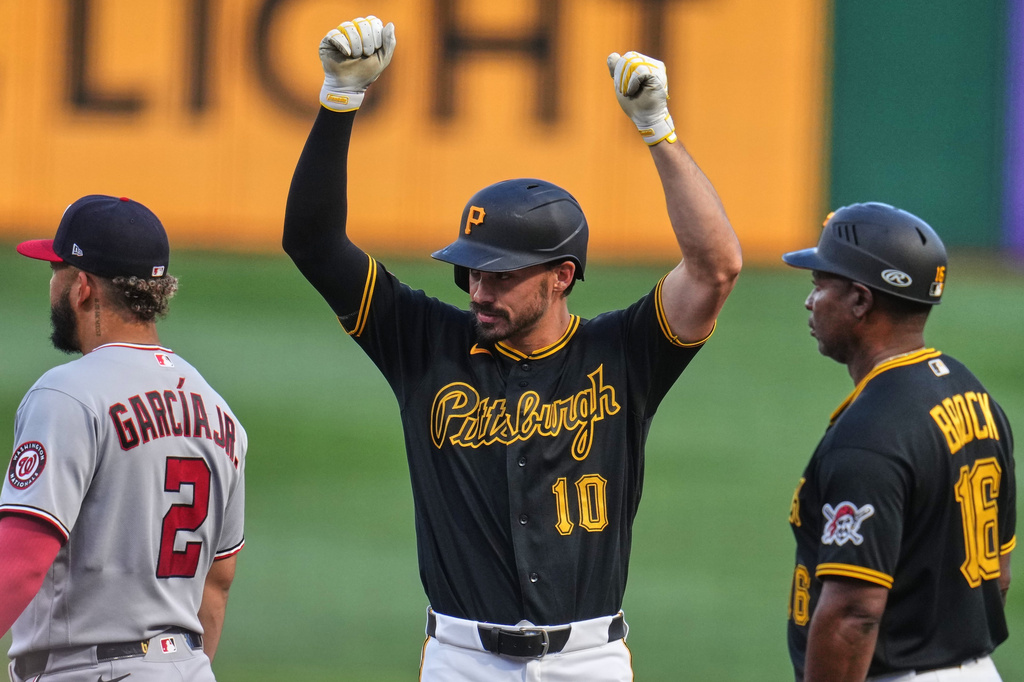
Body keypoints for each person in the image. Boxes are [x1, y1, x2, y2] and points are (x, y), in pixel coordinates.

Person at [283, 15, 741, 681]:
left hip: (588, 661)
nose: (477, 289)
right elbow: (314, 245)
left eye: (500, 275)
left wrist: (659, 133)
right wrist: (338, 100)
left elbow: (715, 268)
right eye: (470, 271)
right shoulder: (423, 342)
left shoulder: (624, 354)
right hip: (461, 661)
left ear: (561, 276)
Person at [1, 195, 247, 681]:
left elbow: (22, 557)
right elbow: (218, 582)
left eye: (57, 270)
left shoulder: (66, 393)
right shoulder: (220, 413)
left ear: (83, 287)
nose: (52, 284)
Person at [782, 203, 1016, 682]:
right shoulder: (972, 394)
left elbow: (853, 614)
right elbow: (1000, 572)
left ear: (861, 301)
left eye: (820, 284)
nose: (810, 301)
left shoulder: (871, 433)